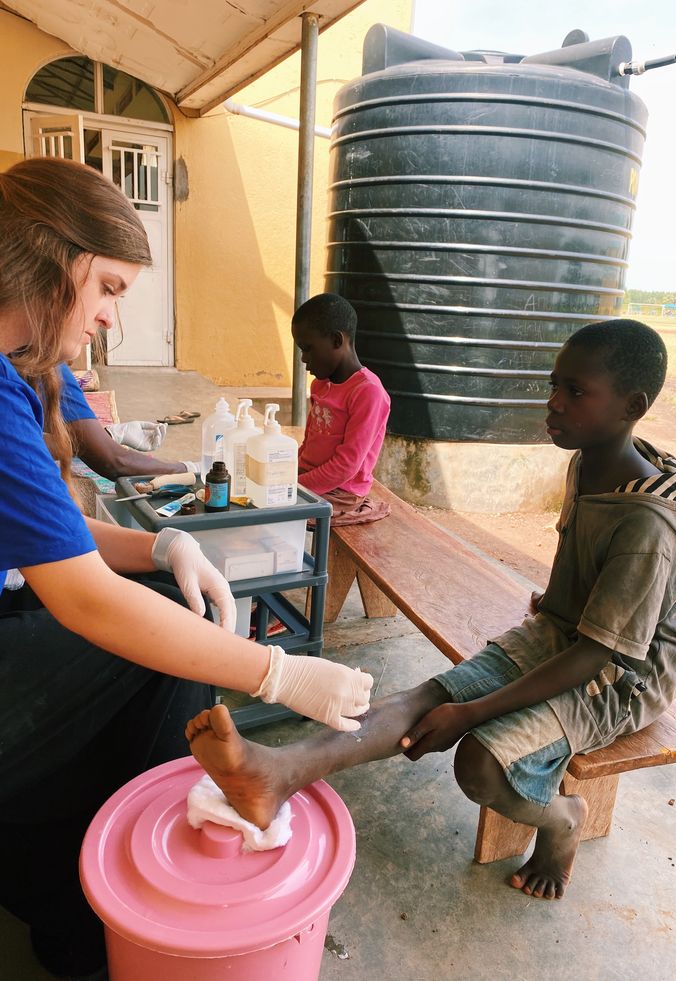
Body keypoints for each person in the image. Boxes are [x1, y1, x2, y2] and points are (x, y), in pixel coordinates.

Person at [0, 157, 372, 981]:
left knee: (173, 604)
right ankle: (141, 876)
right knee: (156, 642)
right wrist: (277, 671)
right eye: (107, 288)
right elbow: (87, 601)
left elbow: (50, 534)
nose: (108, 317)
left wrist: (165, 545)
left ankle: (77, 887)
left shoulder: (18, 375)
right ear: (44, 259)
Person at [186, 318, 676, 902]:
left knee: (479, 761)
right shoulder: (589, 460)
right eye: (554, 385)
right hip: (570, 632)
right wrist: (554, 607)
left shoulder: (647, 526)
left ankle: (563, 820)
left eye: (576, 391)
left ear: (633, 406)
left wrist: (474, 711)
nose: (554, 402)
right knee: (425, 698)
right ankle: (280, 772)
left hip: (623, 674)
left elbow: (598, 654)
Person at [292, 292, 391, 525]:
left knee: (269, 512)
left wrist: (293, 486)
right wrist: (286, 471)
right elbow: (309, 444)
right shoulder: (320, 384)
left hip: (342, 492)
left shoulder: (368, 392)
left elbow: (346, 466)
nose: (304, 359)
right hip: (308, 479)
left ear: (337, 341)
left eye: (308, 349)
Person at [56, 360, 197, 479]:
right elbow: (116, 462)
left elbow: (44, 446)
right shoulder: (56, 374)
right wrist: (187, 469)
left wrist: (110, 435)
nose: (88, 340)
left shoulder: (53, 369)